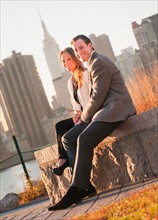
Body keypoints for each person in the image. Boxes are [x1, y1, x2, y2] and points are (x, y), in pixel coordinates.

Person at [48, 35, 136, 211]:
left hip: (115, 110)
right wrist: (80, 116)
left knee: (84, 139)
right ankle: (84, 185)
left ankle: (78, 188)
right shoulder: (92, 63)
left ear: (90, 45)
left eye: (81, 48)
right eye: (77, 49)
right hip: (104, 111)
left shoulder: (98, 62)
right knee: (68, 138)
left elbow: (97, 97)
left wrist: (83, 118)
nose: (79, 53)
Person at [52, 47, 91, 176]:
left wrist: (83, 115)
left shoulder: (85, 73)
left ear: (76, 58)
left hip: (91, 115)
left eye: (69, 59)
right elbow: (76, 104)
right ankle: (63, 159)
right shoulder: (70, 81)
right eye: (63, 61)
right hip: (82, 116)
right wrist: (77, 114)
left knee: (67, 138)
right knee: (60, 126)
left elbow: (92, 98)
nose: (66, 63)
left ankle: (65, 163)